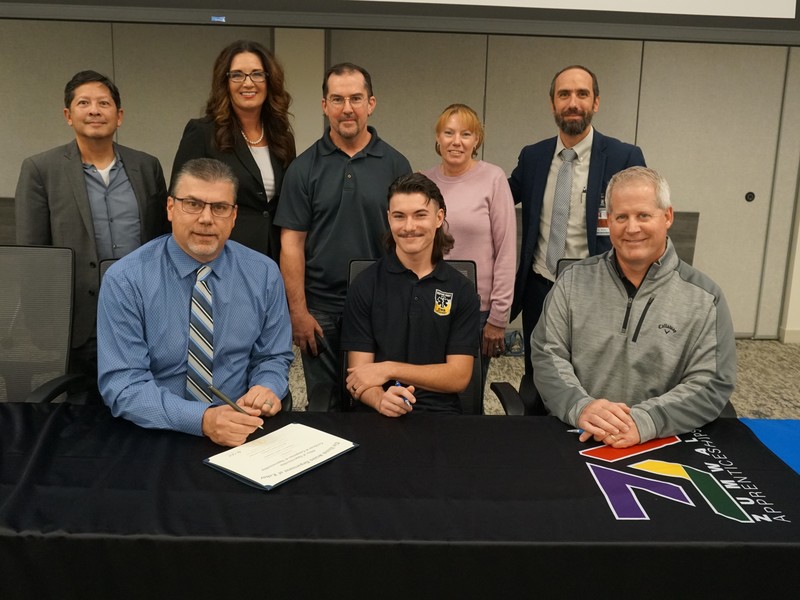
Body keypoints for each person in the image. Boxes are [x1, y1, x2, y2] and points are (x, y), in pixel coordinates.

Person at [531, 167, 736, 447]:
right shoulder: (572, 282)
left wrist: (645, 421)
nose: (632, 228)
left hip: (661, 438)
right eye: (621, 217)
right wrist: (581, 406)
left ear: (667, 217)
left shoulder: (705, 298)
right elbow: (547, 354)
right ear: (608, 221)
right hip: (579, 431)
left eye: (643, 215)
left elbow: (711, 382)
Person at [98, 158, 293, 447]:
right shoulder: (126, 279)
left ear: (234, 215)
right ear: (170, 208)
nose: (206, 218)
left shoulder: (264, 273)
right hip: (156, 431)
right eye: (192, 204)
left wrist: (267, 386)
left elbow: (273, 356)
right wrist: (201, 419)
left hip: (241, 430)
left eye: (219, 208)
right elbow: (124, 384)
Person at [15, 70, 168, 393]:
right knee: (83, 409)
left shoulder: (147, 167)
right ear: (69, 115)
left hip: (142, 311)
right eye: (84, 103)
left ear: (119, 115)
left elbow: (161, 241)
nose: (95, 110)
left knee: (144, 398)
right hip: (79, 320)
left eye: (104, 103)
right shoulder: (41, 169)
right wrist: (40, 324)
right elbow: (32, 253)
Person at [275, 62, 411, 404]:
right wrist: (298, 313)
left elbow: (411, 239)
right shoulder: (303, 169)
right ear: (325, 106)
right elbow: (291, 244)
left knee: (376, 399)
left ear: (371, 103)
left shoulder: (396, 165)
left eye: (355, 98)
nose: (347, 108)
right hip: (320, 308)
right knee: (324, 403)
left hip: (382, 303)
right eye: (337, 99)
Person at [509, 65, 646, 389]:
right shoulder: (533, 156)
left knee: (595, 377)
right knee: (540, 373)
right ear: (553, 104)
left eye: (582, 94)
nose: (573, 102)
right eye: (564, 94)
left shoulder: (623, 156)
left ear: (596, 102)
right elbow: (497, 197)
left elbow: (641, 219)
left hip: (599, 288)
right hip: (540, 287)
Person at [342, 173, 480, 416]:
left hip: (442, 416)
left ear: (439, 218)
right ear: (388, 219)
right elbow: (359, 377)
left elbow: (458, 377)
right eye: (399, 216)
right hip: (377, 414)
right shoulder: (365, 285)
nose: (408, 227)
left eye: (420, 215)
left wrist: (389, 369)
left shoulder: (462, 289)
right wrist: (379, 399)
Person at [171, 40, 295, 262]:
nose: (248, 83)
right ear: (225, 82)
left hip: (272, 256)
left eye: (257, 74)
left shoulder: (282, 137)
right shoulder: (202, 132)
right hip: (220, 256)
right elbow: (180, 202)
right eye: (237, 75)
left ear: (269, 81)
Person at [422, 103, 516, 392]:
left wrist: (499, 316)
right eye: (448, 132)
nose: (456, 141)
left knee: (467, 390)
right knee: (427, 384)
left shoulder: (493, 178)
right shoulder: (423, 181)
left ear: (477, 140)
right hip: (429, 302)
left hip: (477, 309)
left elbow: (506, 249)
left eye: (466, 133)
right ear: (437, 138)